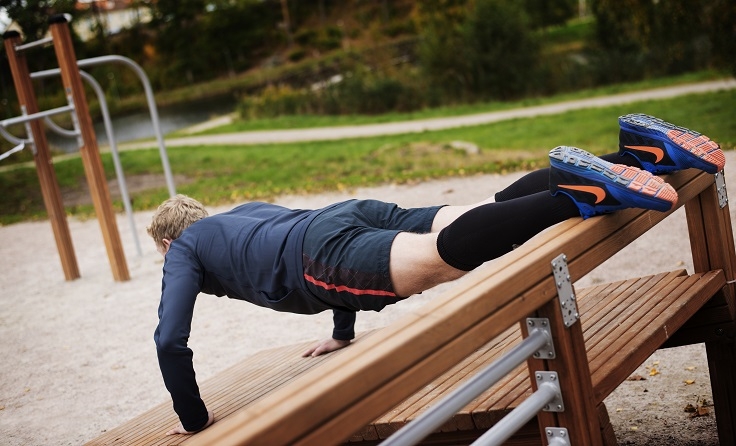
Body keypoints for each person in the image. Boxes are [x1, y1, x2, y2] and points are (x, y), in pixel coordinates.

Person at [147, 114, 724, 435]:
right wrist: (342, 332)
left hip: (321, 252)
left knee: (441, 259)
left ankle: (577, 191)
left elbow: (170, 341)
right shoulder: (239, 216)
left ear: (170, 243)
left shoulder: (184, 250)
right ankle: (639, 156)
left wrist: (195, 421)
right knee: (483, 210)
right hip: (344, 216)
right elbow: (293, 241)